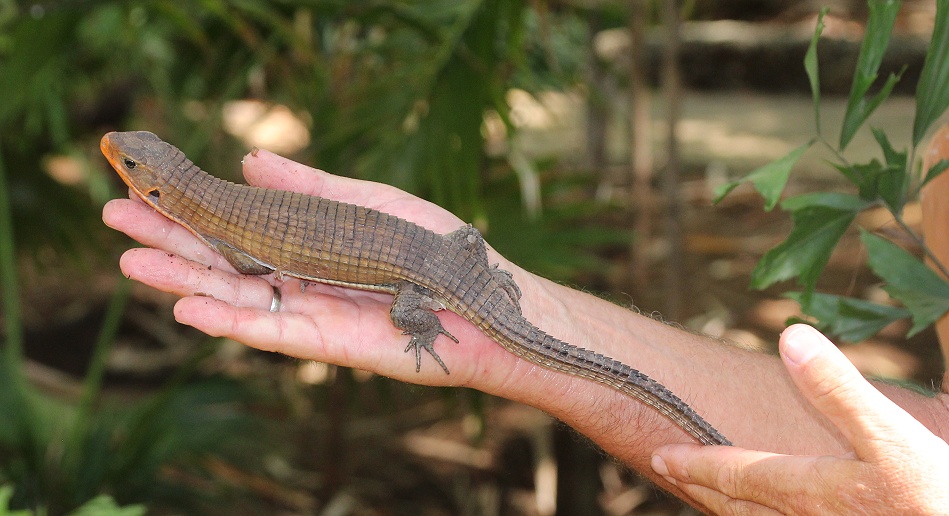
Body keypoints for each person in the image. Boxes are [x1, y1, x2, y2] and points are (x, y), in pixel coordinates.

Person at [102, 148, 949, 513]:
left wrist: (427, 320)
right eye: (136, 165)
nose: (126, 165)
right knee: (480, 307)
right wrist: (516, 302)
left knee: (421, 309)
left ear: (160, 191)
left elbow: (249, 271)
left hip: (426, 277)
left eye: (133, 167)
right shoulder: (212, 208)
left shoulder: (218, 220)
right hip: (451, 260)